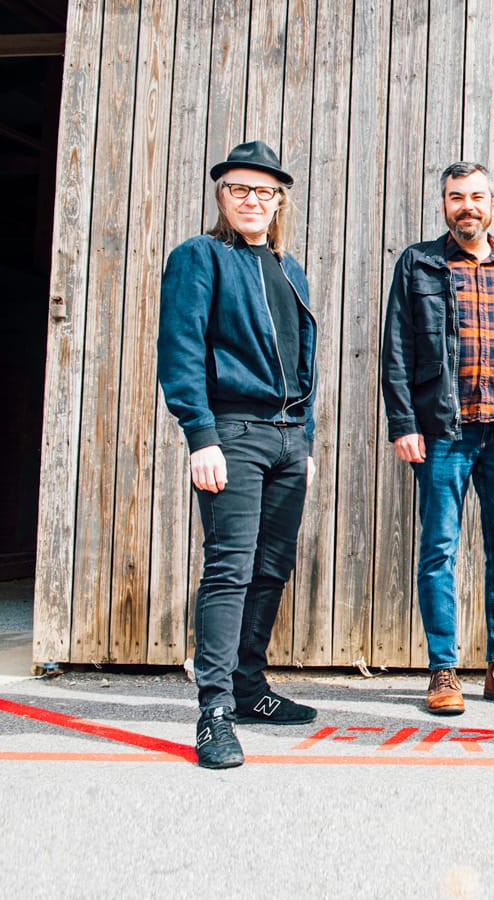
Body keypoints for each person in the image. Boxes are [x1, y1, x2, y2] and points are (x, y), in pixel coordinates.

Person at [157, 141, 318, 769]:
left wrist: (304, 438)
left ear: (279, 202)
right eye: (240, 189)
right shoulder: (199, 257)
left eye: (265, 191)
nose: (253, 200)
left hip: (286, 438)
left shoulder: (288, 267)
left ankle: (249, 688)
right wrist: (201, 436)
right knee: (230, 568)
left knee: (272, 568)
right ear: (222, 195)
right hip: (233, 433)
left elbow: (303, 360)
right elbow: (181, 350)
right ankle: (215, 712)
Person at [380, 162, 494, 715]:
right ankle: (443, 672)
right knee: (439, 549)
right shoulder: (419, 264)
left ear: (492, 204)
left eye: (477, 196)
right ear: (444, 206)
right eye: (456, 197)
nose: (467, 207)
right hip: (443, 431)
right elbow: (396, 349)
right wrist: (404, 424)